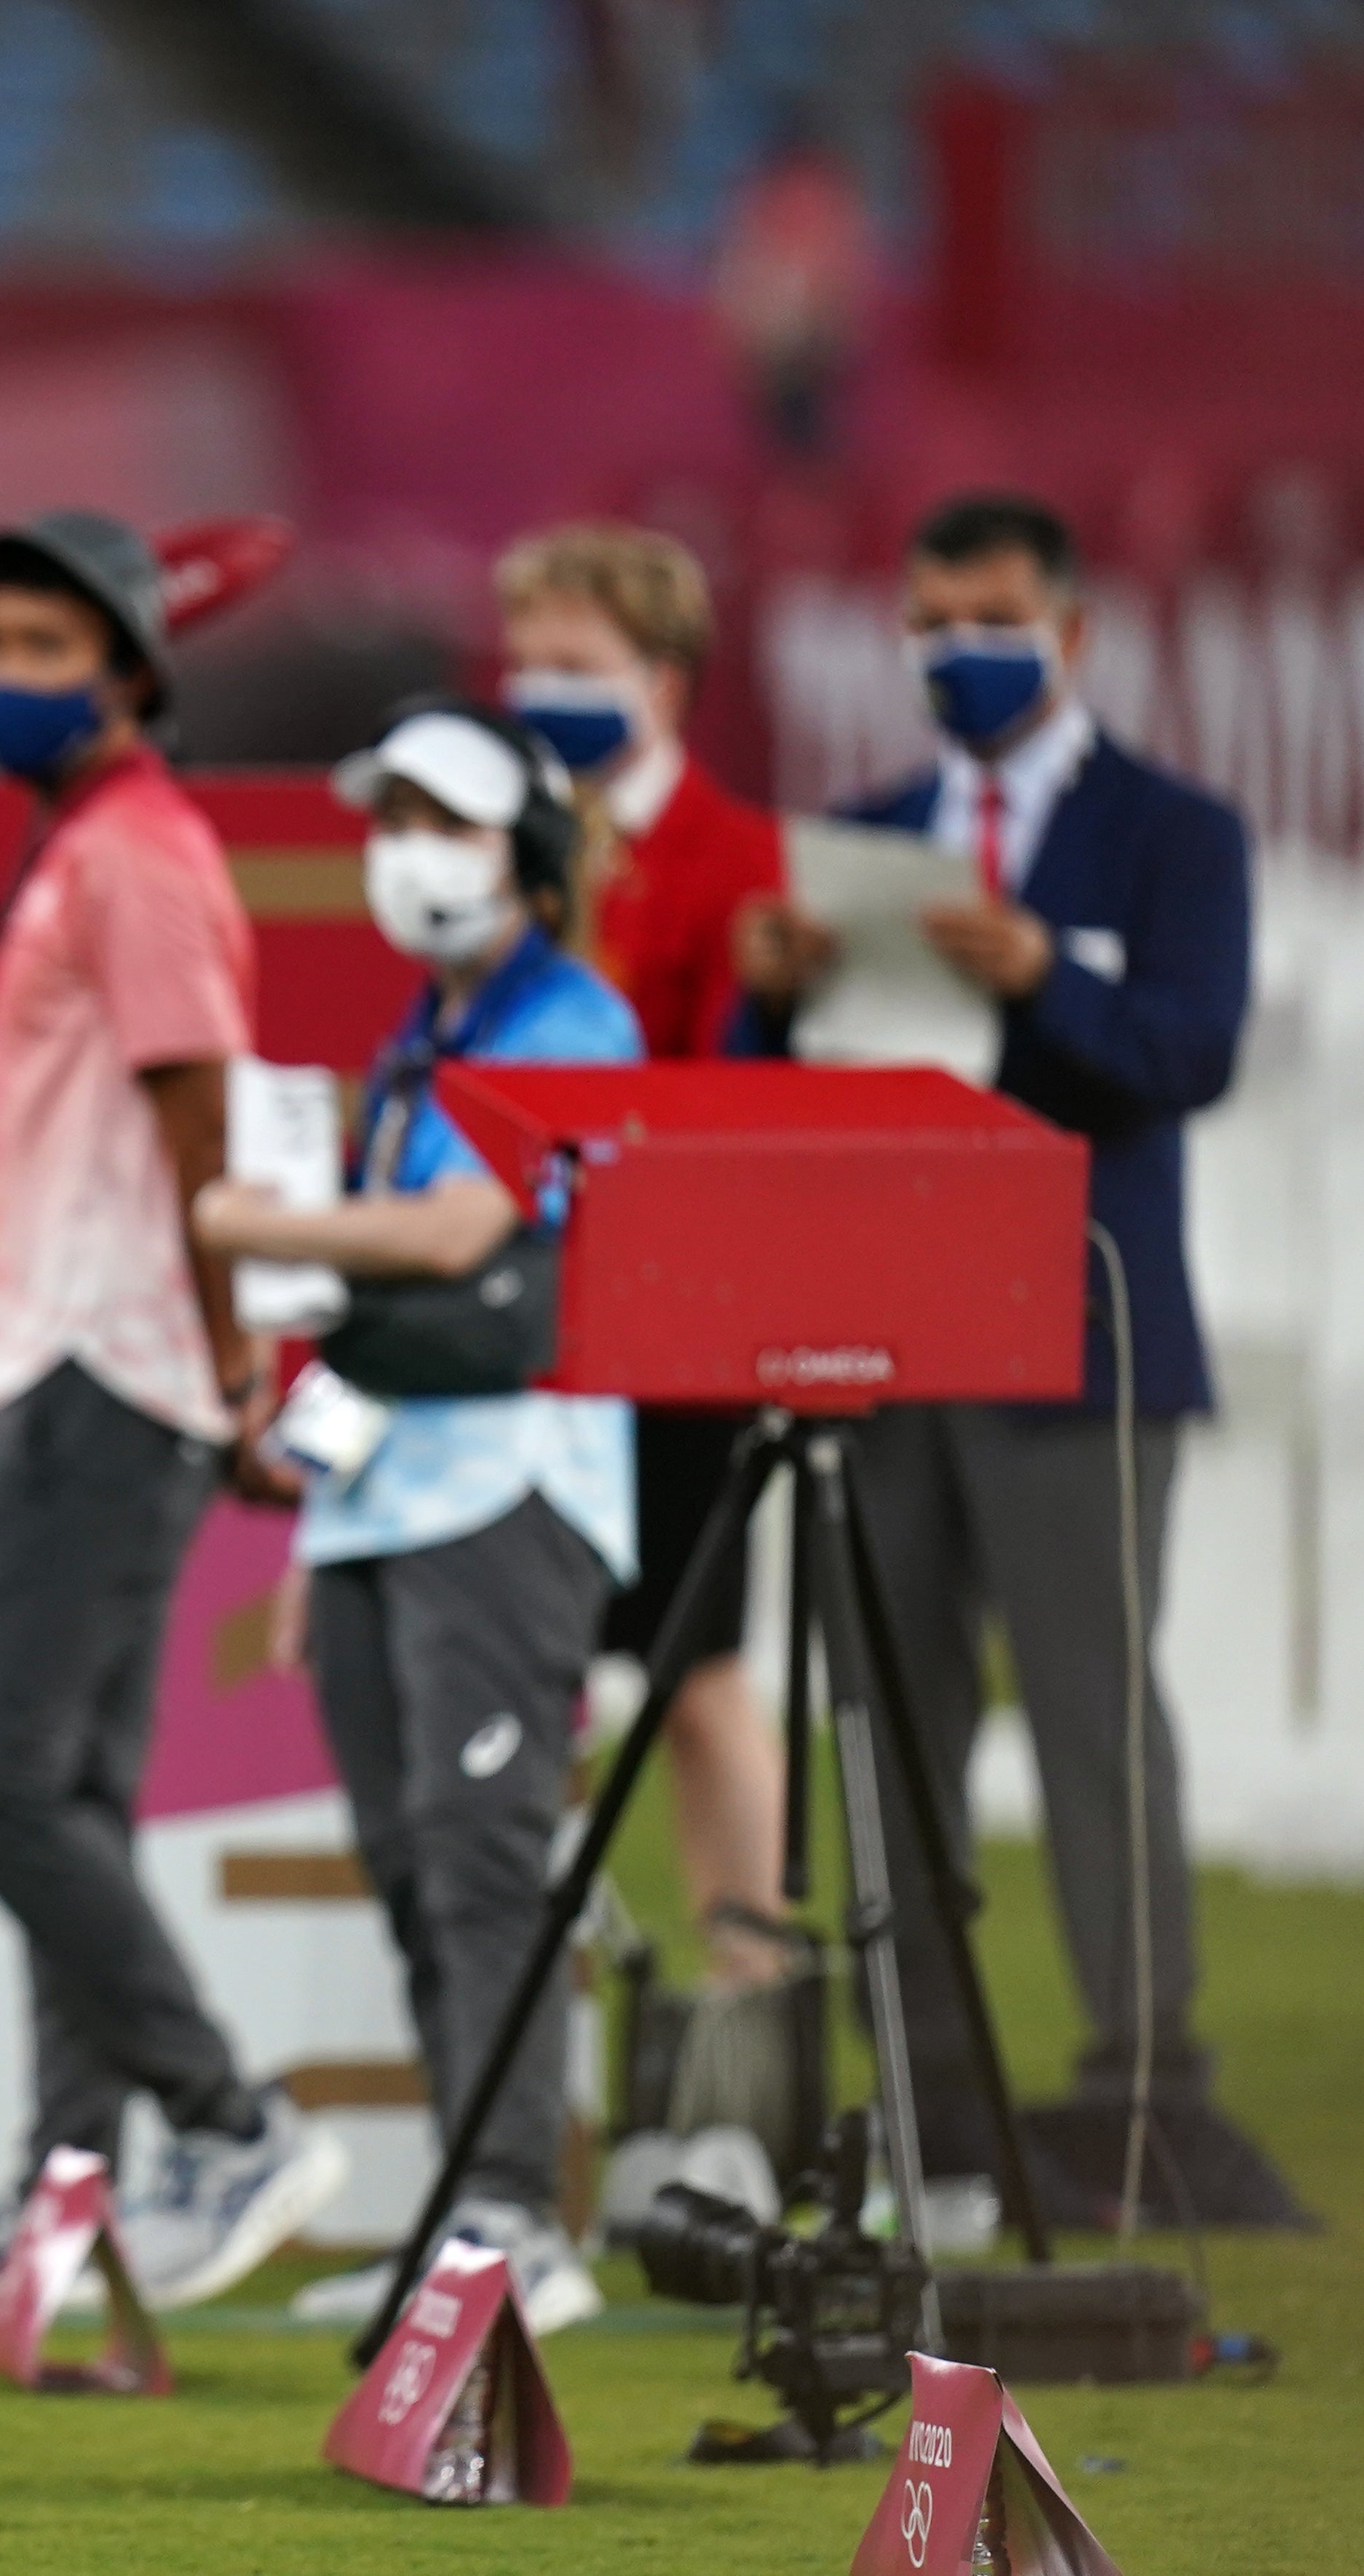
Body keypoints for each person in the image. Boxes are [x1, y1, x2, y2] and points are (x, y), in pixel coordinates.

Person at [735, 490, 1265, 2216]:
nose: (961, 653)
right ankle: (925, 2104)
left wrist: (1044, 972)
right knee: (893, 1725)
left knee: (1098, 1718)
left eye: (994, 621)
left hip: (1084, 1333)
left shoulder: (1173, 834)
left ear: (1074, 632)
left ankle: (1139, 2100)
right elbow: (771, 1089)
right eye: (935, 624)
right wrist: (771, 986)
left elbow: (1189, 1056)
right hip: (888, 1341)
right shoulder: (867, 835)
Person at [0, 510, 346, 2322]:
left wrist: (234, 1368)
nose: (5, 684)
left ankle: (227, 2119)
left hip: (101, 1369)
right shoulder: (97, 834)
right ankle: (70, 2198)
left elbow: (206, 1118)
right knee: (62, 1792)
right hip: (72, 1361)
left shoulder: (137, 853)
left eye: (51, 652)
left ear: (138, 672)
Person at [195, 701, 639, 2336]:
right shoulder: (423, 1033)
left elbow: (462, 1239)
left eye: (444, 821)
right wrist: (322, 1505)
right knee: (413, 1864)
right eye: (389, 820)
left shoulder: (566, 1018)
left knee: (483, 1860)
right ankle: (476, 2218)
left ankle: (521, 2213)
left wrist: (260, 1219)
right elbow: (395, 1310)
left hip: (511, 1489)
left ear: (522, 846)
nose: (409, 855)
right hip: (390, 1499)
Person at [495, 522, 796, 1990]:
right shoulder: (491, 851)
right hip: (520, 1322)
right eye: (528, 664)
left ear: (668, 679)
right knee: (518, 1675)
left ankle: (758, 2008)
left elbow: (738, 1092)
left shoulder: (747, 863)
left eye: (579, 667)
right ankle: (528, 2008)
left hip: (677, 1327)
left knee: (698, 1674)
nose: (543, 693)